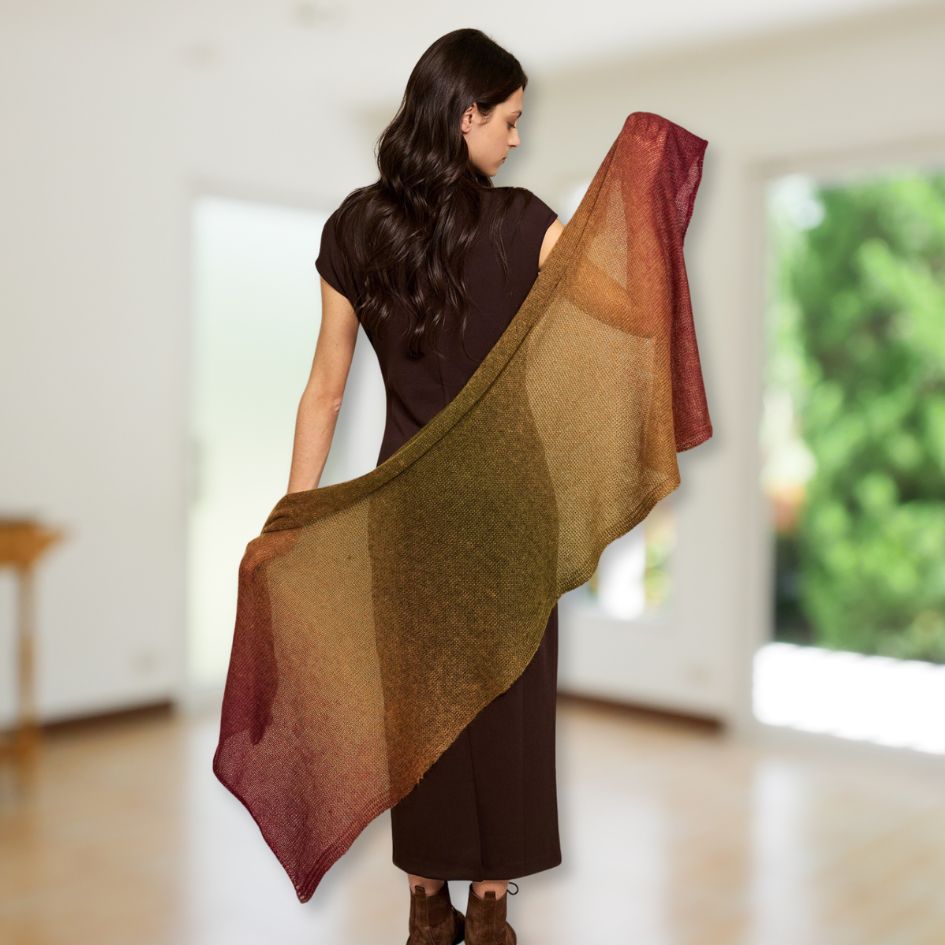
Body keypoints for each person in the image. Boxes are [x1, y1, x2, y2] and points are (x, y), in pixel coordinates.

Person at [289, 28, 563, 945]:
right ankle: (489, 910)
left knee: (419, 709)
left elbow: (325, 388)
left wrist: (295, 512)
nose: (516, 141)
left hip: (405, 514)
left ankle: (424, 904)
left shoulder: (354, 228)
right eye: (510, 120)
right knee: (505, 708)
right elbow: (621, 307)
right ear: (466, 115)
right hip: (509, 510)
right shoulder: (528, 222)